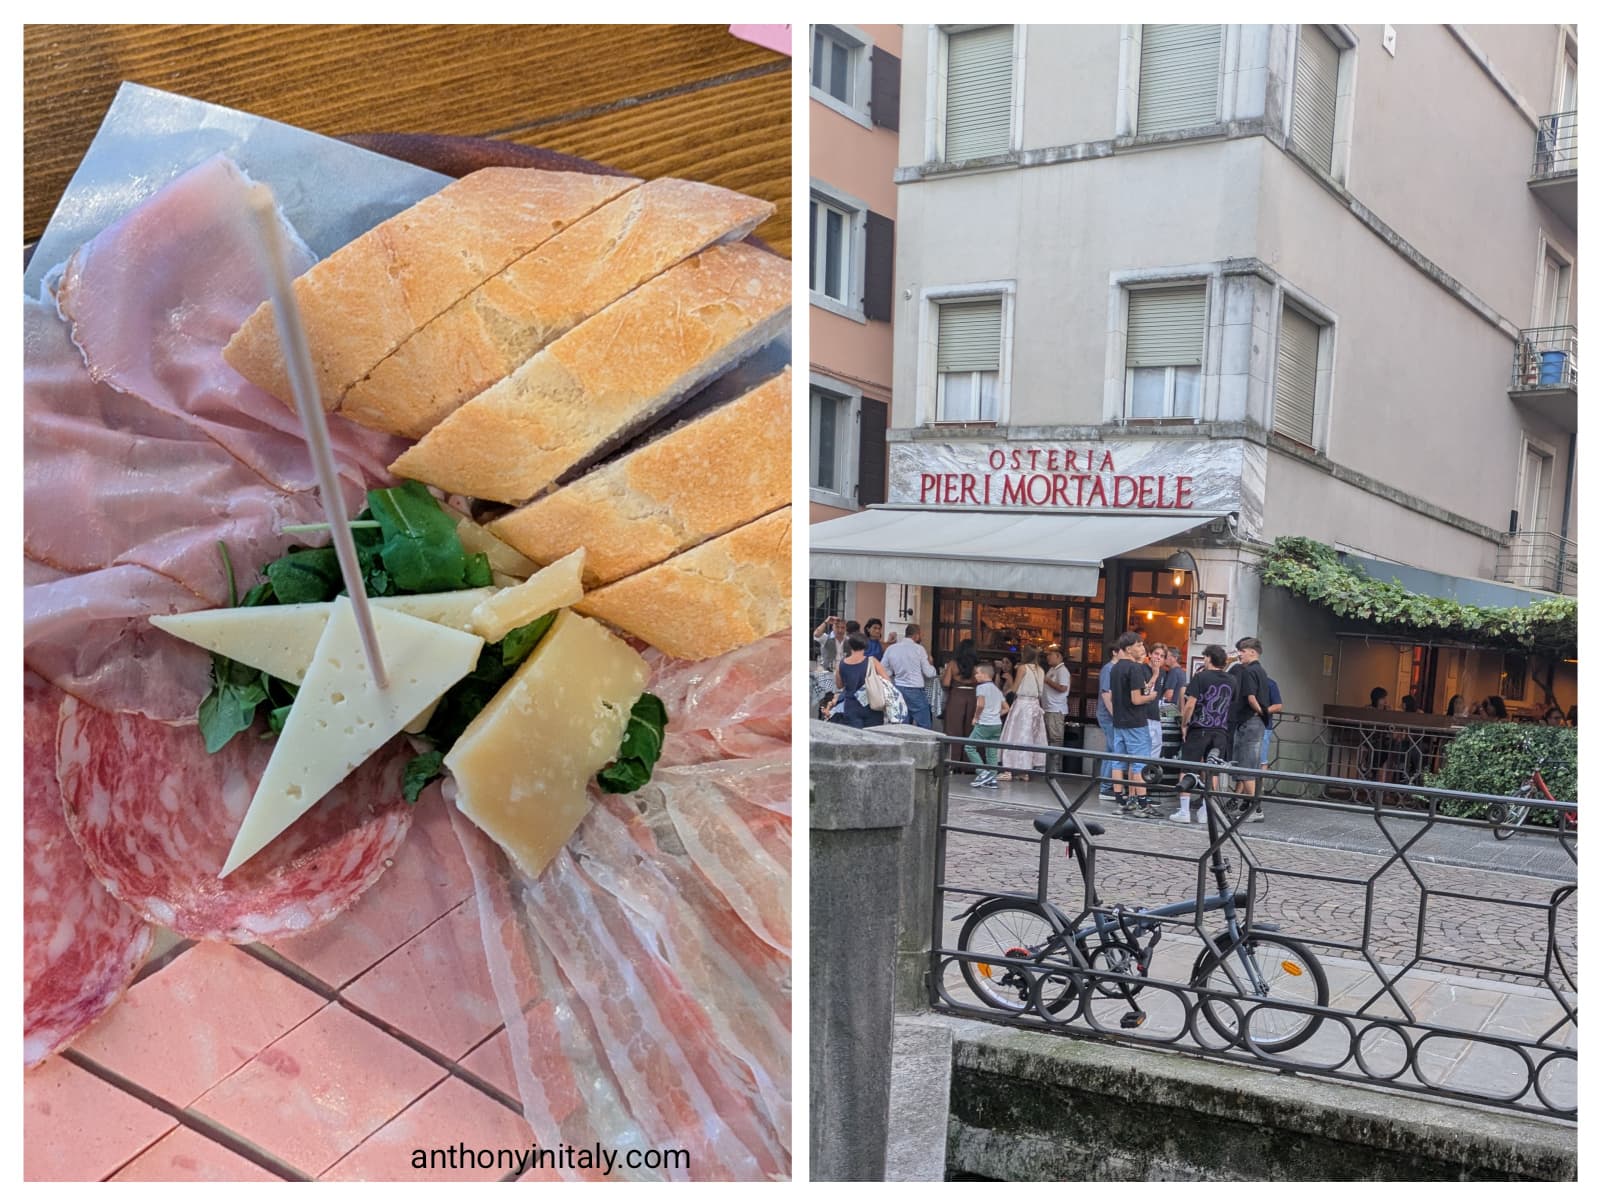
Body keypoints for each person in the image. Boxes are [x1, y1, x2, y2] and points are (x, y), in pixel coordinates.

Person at [1172, 645, 1240, 824]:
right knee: (1212, 771)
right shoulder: (1232, 680)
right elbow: (1230, 703)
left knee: (1187, 768)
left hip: (1199, 728)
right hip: (1220, 730)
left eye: (1205, 657)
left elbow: (1189, 704)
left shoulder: (1200, 677)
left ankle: (1185, 811)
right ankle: (1205, 811)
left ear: (1209, 658)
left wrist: (1184, 723)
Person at [1108, 632, 1159, 816]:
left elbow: (1114, 696)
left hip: (1119, 720)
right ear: (1129, 649)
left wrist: (1153, 675)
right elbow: (1137, 699)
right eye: (1139, 645)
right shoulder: (1135, 668)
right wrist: (1151, 697)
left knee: (1118, 761)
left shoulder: (1115, 668)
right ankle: (1142, 803)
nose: (1143, 649)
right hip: (1135, 722)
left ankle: (1121, 801)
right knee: (1139, 763)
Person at [1227, 637, 1270, 821]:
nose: (1240, 655)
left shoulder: (1249, 672)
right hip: (1255, 722)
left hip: (1249, 722)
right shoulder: (1261, 671)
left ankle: (1255, 809)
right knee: (1248, 766)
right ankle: (1250, 806)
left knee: (1245, 766)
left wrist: (1261, 712)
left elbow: (1251, 698)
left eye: (1242, 651)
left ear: (1252, 651)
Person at [999, 648, 1048, 780]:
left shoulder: (1023, 668)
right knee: (1030, 738)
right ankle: (1025, 770)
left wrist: (1005, 691)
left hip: (1022, 704)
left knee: (1014, 736)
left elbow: (1015, 688)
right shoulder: (1041, 670)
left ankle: (1008, 769)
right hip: (1035, 705)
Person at [880, 623, 938, 729]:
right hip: (915, 689)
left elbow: (883, 669)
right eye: (921, 635)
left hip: (898, 687)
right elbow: (929, 673)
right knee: (924, 724)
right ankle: (923, 745)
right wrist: (932, 664)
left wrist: (894, 673)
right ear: (916, 635)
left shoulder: (891, 649)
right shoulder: (919, 649)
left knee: (901, 724)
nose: (922, 637)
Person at [832, 633, 890, 729]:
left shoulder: (841, 664)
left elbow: (839, 685)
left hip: (851, 706)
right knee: (874, 737)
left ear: (850, 645)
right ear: (865, 645)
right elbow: (887, 680)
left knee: (856, 739)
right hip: (872, 704)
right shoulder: (872, 661)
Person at [967, 664, 1009, 788]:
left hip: (984, 723)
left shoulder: (981, 687)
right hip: (996, 724)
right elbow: (1007, 708)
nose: (975, 676)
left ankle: (983, 772)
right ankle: (992, 778)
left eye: (977, 673)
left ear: (985, 675)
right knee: (992, 751)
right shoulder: (997, 689)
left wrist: (976, 717)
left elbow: (980, 705)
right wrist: (996, 714)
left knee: (969, 746)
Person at [1095, 644, 1124, 799]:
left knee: (1111, 749)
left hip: (1111, 714)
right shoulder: (1109, 669)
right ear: (1114, 652)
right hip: (1108, 715)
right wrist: (1114, 714)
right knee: (1113, 749)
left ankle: (1107, 784)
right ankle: (1106, 786)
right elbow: (1106, 694)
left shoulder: (1115, 668)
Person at [941, 639, 981, 743]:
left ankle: (953, 755)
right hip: (973, 697)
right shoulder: (978, 666)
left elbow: (946, 683)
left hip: (956, 696)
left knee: (954, 728)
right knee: (971, 729)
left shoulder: (953, 664)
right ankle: (968, 757)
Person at [1041, 644, 1072, 773]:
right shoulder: (1052, 669)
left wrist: (1047, 681)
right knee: (1048, 739)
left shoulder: (1062, 670)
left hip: (1056, 709)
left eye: (1051, 655)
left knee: (1055, 739)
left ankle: (1055, 768)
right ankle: (1049, 766)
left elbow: (1063, 688)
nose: (1048, 657)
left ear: (1058, 656)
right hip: (1048, 708)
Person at [1258, 676, 1284, 769]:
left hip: (1264, 726)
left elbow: (1278, 706)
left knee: (1262, 760)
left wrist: (1260, 712)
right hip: (1246, 726)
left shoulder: (1270, 684)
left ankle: (1259, 783)